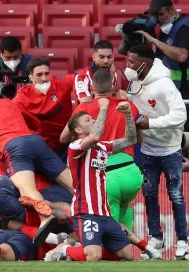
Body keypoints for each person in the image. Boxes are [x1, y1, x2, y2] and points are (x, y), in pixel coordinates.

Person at [0, 87, 74, 232]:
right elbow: (34, 122)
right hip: (35, 140)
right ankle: (98, 208)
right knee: (72, 183)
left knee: (26, 189)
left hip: (13, 146)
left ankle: (46, 218)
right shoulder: (8, 102)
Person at [45, 98, 137, 262]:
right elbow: (94, 137)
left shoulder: (102, 147)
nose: (93, 120)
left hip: (105, 213)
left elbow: (130, 140)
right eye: (88, 120)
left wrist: (128, 115)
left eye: (93, 118)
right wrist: (103, 108)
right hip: (85, 212)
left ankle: (77, 250)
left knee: (127, 255)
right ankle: (65, 250)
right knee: (94, 256)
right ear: (78, 129)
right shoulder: (75, 146)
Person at [125, 45, 189, 259]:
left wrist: (151, 123)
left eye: (132, 62)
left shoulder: (164, 84)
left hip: (170, 149)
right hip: (147, 150)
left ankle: (183, 242)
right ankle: (157, 240)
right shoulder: (134, 83)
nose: (128, 66)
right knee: (150, 195)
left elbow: (181, 115)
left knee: (176, 196)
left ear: (145, 63)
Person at [60, 69, 143, 231]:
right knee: (125, 211)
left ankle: (66, 249)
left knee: (108, 228)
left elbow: (63, 138)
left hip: (105, 173)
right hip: (131, 173)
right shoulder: (128, 106)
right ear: (113, 83)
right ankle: (134, 250)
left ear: (91, 86)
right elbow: (138, 140)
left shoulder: (83, 108)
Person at [136, 0, 189, 133]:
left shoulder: (184, 27)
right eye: (155, 15)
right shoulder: (164, 27)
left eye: (161, 14)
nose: (159, 19)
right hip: (172, 87)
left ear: (171, 9)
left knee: (186, 134)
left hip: (187, 88)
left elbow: (182, 55)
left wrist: (154, 40)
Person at [13, 57, 73, 161]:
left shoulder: (62, 86)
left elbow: (84, 77)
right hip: (43, 149)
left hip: (68, 143)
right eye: (39, 75)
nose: (44, 78)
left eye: (46, 73)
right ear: (31, 77)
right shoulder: (23, 97)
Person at [74, 40, 129, 105]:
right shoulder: (82, 77)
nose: (106, 61)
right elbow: (86, 106)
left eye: (109, 57)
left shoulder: (113, 73)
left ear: (113, 58)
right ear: (94, 57)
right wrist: (114, 99)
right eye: (101, 57)